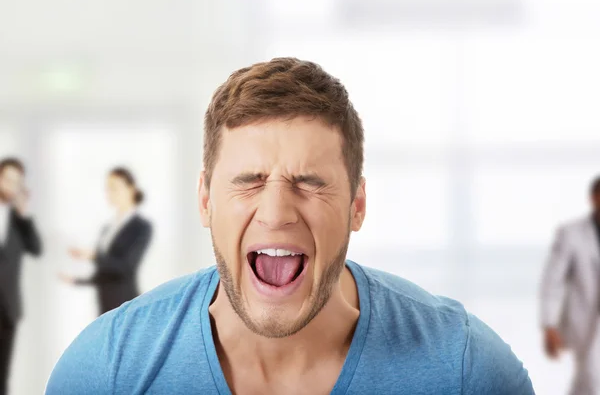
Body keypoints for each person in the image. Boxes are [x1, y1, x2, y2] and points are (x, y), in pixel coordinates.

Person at [46, 58, 534, 394]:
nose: (277, 213)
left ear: (357, 205)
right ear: (204, 201)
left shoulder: (467, 372)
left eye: (309, 182)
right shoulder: (105, 372)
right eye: (249, 182)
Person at [61, 167, 152, 315]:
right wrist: (77, 280)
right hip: (104, 305)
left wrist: (94, 256)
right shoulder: (107, 228)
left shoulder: (141, 226)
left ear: (131, 189)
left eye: (114, 188)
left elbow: (126, 267)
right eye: (108, 189)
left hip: (125, 304)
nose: (109, 193)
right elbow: (105, 272)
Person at [540, 176, 600, 394]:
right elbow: (552, 281)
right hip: (585, 321)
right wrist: (549, 325)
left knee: (589, 379)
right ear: (594, 198)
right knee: (591, 377)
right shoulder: (571, 234)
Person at [0, 158, 42, 395]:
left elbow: (36, 249)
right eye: (6, 179)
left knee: (2, 373)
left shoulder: (19, 220)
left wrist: (24, 215)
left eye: (16, 182)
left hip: (8, 308)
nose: (10, 186)